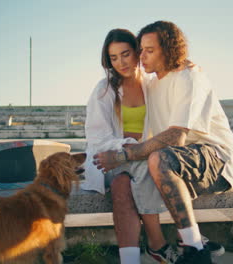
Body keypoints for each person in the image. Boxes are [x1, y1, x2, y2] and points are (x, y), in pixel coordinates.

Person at [94, 21, 233, 263]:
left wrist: (122, 156)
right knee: (131, 172)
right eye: (140, 49)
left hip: (216, 161)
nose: (141, 57)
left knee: (156, 156)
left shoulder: (189, 77)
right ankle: (155, 247)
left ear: (170, 50)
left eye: (149, 50)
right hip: (177, 161)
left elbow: (176, 138)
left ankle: (195, 249)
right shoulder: (151, 84)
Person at [83, 28, 176, 264]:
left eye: (125, 54)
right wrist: (132, 148)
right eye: (113, 58)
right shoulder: (104, 89)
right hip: (108, 158)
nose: (120, 63)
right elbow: (97, 137)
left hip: (142, 158)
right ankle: (158, 244)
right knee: (130, 172)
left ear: (137, 52)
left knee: (124, 184)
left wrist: (137, 152)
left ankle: (131, 259)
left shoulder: (153, 85)